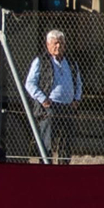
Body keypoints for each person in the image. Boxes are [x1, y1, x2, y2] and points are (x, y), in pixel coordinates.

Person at [24, 29, 83, 163]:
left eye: (61, 43)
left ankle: (63, 166)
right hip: (49, 107)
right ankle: (46, 165)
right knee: (47, 141)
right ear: (48, 45)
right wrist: (42, 99)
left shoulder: (72, 63)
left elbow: (78, 83)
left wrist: (77, 99)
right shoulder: (40, 61)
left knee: (66, 141)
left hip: (68, 107)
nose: (58, 46)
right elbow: (30, 83)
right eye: (55, 43)